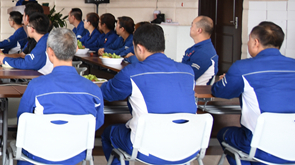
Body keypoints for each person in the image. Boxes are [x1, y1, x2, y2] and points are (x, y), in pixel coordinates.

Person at [100, 23, 197, 165]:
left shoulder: (132, 72)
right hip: (188, 147)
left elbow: (107, 93)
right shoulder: (188, 72)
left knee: (108, 134)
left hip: (148, 148)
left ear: (139, 48)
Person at [212, 22, 295, 165]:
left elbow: (220, 91)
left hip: (261, 147)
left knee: (224, 134)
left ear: (255, 42)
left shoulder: (243, 67)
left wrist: (226, 79)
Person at [17, 28, 104, 164]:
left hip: (40, 154)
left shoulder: (36, 86)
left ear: (50, 51)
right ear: (76, 49)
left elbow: (22, 120)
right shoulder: (93, 89)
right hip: (76, 155)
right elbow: (97, 122)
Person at [182, 16, 219, 85]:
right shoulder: (200, 48)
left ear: (199, 30)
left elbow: (187, 77)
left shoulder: (203, 53)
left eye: (192, 26)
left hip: (194, 90)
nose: (190, 28)